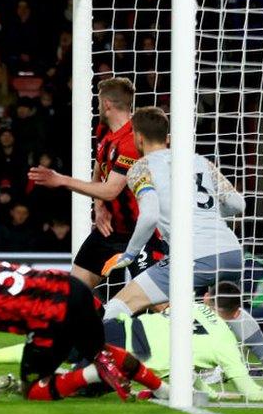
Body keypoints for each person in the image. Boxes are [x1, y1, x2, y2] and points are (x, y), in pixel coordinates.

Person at [0, 229, 156, 402]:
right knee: (99, 349)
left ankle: (93, 374)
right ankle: (161, 388)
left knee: (32, 390)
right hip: (73, 289)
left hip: (50, 318)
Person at [0, 282, 263, 402]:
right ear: (235, 315)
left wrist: (200, 390)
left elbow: (168, 323)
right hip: (134, 357)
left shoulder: (189, 303)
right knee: (78, 387)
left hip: (123, 328)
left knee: (60, 346)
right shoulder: (226, 344)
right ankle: (16, 383)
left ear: (207, 298)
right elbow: (250, 392)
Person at [100, 107, 244, 320]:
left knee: (118, 307)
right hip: (232, 254)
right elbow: (238, 204)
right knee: (223, 312)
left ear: (138, 138)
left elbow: (149, 216)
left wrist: (129, 254)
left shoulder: (141, 168)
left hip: (195, 256)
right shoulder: (200, 161)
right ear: (166, 137)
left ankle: (91, 354)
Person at [28, 77, 166, 290]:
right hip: (109, 229)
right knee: (75, 291)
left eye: (99, 102)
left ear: (107, 104)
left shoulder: (133, 140)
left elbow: (111, 190)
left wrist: (61, 180)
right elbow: (99, 168)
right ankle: (94, 323)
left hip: (140, 232)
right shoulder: (103, 131)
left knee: (157, 302)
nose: (98, 106)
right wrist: (98, 205)